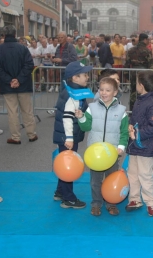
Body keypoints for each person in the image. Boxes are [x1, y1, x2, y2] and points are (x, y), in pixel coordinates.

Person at [75, 77, 128, 216]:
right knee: (95, 182)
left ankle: (111, 203)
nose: (104, 93)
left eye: (108, 90)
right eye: (101, 89)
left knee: (111, 180)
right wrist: (81, 117)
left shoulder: (122, 111)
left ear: (115, 92)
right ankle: (96, 203)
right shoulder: (91, 108)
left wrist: (121, 147)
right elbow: (86, 127)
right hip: (96, 154)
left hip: (112, 153)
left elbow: (124, 132)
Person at [52, 61, 93, 209]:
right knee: (68, 166)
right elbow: (67, 118)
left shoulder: (71, 90)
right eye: (84, 75)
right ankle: (68, 198)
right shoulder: (73, 96)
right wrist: (69, 138)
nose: (87, 77)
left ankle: (59, 191)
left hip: (65, 135)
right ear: (75, 78)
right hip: (67, 137)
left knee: (64, 163)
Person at [125, 70, 153, 217]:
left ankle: (151, 203)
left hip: (145, 147)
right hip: (134, 146)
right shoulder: (139, 99)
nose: (135, 85)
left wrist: (137, 133)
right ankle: (135, 199)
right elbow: (135, 119)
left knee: (145, 175)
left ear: (141, 85)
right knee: (133, 174)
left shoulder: (151, 103)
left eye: (136, 82)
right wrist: (130, 125)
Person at [0, 25, 38, 144]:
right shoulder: (23, 48)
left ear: (3, 35)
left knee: (12, 112)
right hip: (23, 84)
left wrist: (10, 80)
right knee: (27, 110)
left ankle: (15, 136)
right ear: (15, 34)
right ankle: (31, 134)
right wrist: (18, 79)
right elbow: (29, 64)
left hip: (7, 85)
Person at [124, 33, 153, 110]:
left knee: (133, 92)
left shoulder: (131, 50)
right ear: (145, 40)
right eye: (148, 40)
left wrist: (127, 75)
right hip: (144, 74)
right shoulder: (147, 51)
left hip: (134, 73)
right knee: (145, 92)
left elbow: (127, 64)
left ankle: (132, 110)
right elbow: (151, 65)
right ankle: (143, 110)